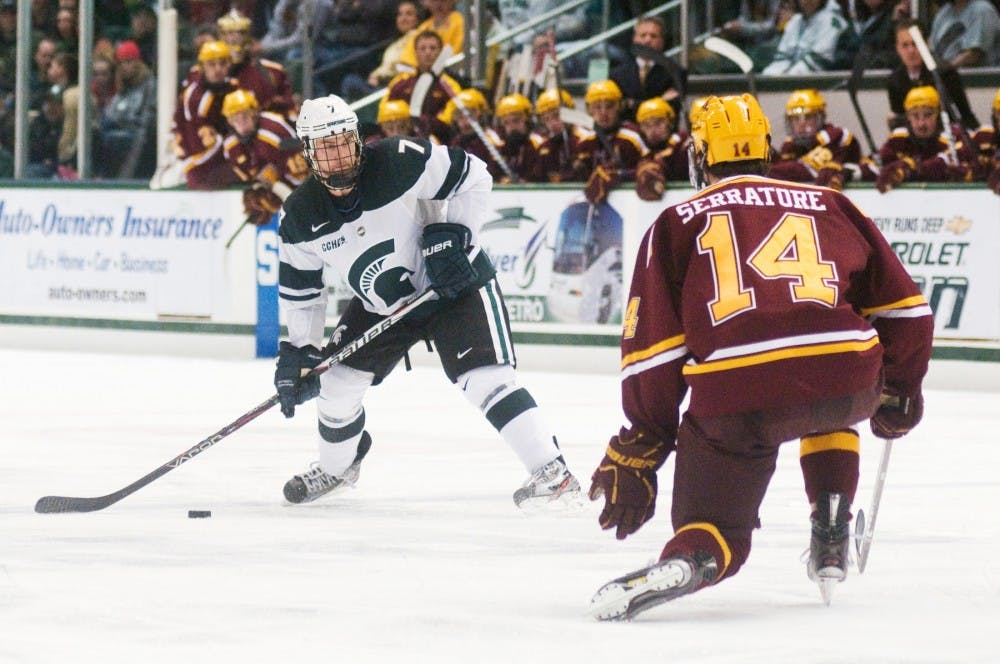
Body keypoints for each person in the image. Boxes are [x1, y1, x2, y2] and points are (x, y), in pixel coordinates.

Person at [586, 93, 934, 621]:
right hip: (847, 375)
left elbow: (654, 352)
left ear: (700, 156)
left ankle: (691, 557)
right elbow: (907, 311)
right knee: (827, 380)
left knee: (715, 528)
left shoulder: (675, 223)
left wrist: (643, 444)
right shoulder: (832, 202)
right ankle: (832, 511)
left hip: (740, 396)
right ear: (767, 151)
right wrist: (901, 388)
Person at [273, 93, 582, 509]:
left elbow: (475, 175)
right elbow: (303, 294)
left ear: (358, 140)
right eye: (326, 147)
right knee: (336, 385)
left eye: (344, 141)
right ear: (308, 153)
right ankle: (337, 467)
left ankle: (553, 472)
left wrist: (456, 236)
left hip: (453, 283)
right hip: (385, 304)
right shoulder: (299, 216)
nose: (339, 155)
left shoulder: (399, 159)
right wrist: (302, 351)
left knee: (485, 379)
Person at [221, 89, 307, 226]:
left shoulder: (274, 129)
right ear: (230, 121)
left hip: (299, 186)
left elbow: (302, 169)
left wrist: (278, 179)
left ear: (254, 113)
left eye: (245, 116)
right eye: (235, 118)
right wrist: (259, 187)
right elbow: (248, 176)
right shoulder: (230, 145)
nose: (241, 122)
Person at [868, 85, 975, 193]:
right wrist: (855, 172)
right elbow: (875, 164)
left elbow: (938, 166)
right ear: (908, 117)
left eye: (928, 115)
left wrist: (906, 170)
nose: (921, 124)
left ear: (938, 115)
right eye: (915, 116)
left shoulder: (955, 136)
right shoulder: (899, 138)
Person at [886, 19, 978, 131]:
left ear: (927, 44)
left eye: (915, 44)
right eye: (905, 45)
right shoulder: (895, 80)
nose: (911, 51)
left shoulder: (945, 73)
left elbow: (963, 116)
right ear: (897, 48)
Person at [171, 40, 240, 190]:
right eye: (212, 64)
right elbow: (199, 144)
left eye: (223, 63)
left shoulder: (234, 87)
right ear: (202, 68)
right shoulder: (197, 98)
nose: (218, 69)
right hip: (195, 156)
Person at [767, 88, 861, 190]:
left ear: (820, 118)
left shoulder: (835, 138)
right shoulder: (789, 146)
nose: (801, 124)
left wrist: (765, 171)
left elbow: (799, 171)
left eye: (807, 117)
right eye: (795, 118)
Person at [574, 80, 648, 205]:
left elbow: (647, 168)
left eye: (609, 106)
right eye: (597, 107)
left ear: (619, 107)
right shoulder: (584, 141)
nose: (603, 112)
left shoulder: (632, 137)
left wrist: (618, 175)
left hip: (630, 203)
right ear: (590, 110)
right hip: (595, 205)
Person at [217, 8, 296, 121]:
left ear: (248, 35)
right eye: (230, 32)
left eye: (241, 32)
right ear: (221, 36)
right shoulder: (208, 75)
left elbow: (289, 114)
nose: (235, 38)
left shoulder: (274, 72)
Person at [96, 40, 157, 179]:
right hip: (120, 131)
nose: (125, 67)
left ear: (138, 62)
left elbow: (148, 118)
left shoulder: (149, 85)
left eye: (129, 61)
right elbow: (111, 113)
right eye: (121, 63)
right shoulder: (122, 87)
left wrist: (122, 121)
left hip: (138, 135)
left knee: (114, 140)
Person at [339, 0, 422, 101]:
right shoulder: (394, 44)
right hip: (382, 85)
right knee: (350, 80)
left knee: (351, 82)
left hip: (399, 87)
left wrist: (378, 76)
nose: (403, 18)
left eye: (409, 14)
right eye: (400, 14)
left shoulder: (419, 37)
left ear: (417, 18)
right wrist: (375, 76)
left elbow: (403, 65)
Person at [609, 15, 686, 123]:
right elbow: (617, 109)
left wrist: (632, 104)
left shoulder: (675, 73)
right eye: (643, 35)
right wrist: (660, 101)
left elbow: (671, 110)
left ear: (662, 41)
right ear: (634, 39)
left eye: (653, 36)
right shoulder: (616, 74)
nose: (648, 40)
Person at [386, 30, 459, 142]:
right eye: (423, 48)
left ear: (440, 52)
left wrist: (420, 120)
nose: (428, 52)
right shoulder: (400, 82)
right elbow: (385, 113)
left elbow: (448, 121)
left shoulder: (449, 85)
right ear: (415, 52)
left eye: (433, 48)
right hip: (401, 140)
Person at [761, 0, 847, 74]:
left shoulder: (831, 21)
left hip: (819, 81)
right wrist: (769, 75)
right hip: (791, 77)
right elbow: (782, 58)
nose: (807, 0)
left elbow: (819, 61)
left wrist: (788, 76)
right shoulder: (795, 21)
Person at [532, 88, 593, 183]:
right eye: (546, 119)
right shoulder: (544, 147)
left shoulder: (586, 139)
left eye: (556, 116)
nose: (552, 124)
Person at [634, 97, 689, 201]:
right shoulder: (639, 149)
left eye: (658, 123)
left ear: (670, 123)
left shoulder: (681, 143)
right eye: (647, 125)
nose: (653, 130)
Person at [928, 0, 1000, 68]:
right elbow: (932, 49)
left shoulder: (982, 10)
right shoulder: (943, 13)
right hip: (945, 76)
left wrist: (947, 68)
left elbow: (974, 54)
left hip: (978, 77)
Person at [493, 92, 543, 183]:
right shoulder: (500, 148)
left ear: (527, 120)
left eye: (516, 121)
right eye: (506, 123)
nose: (511, 127)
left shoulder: (538, 145)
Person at [398, 0, 462, 70]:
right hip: (419, 74)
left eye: (443, 1)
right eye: (433, 1)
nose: (438, 4)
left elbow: (454, 54)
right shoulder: (424, 26)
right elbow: (407, 57)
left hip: (447, 71)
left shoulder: (460, 22)